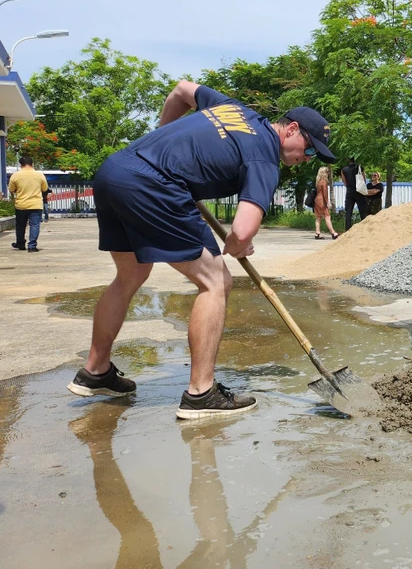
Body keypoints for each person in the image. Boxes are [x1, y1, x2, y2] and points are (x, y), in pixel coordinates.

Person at [66, 80, 336, 419]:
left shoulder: (235, 109)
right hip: (153, 184)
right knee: (215, 281)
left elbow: (181, 90)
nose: (306, 159)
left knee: (130, 274)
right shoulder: (265, 157)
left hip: (116, 171)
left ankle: (95, 371)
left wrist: (164, 142)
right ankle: (200, 395)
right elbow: (240, 233)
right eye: (309, 150)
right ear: (292, 129)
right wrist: (239, 247)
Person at [7, 155, 48, 252]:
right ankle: (32, 246)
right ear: (32, 164)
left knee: (20, 225)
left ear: (20, 165)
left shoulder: (15, 175)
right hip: (36, 204)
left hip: (21, 204)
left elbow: (11, 189)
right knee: (34, 225)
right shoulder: (39, 175)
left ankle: (20, 243)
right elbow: (45, 188)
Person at [340, 157, 368, 231]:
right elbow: (363, 180)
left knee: (348, 212)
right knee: (362, 211)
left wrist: (349, 187)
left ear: (348, 160)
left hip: (349, 191)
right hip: (359, 191)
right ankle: (364, 228)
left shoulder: (344, 170)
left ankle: (348, 229)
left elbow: (344, 181)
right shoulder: (359, 168)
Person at [312, 165, 339, 240]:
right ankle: (333, 233)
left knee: (318, 217)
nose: (328, 174)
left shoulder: (318, 181)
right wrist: (327, 202)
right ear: (323, 173)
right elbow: (325, 193)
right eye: (327, 172)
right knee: (327, 217)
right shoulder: (324, 181)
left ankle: (317, 233)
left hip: (316, 200)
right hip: (322, 201)